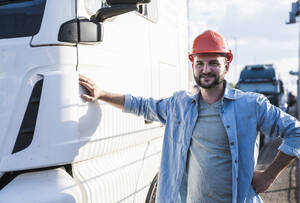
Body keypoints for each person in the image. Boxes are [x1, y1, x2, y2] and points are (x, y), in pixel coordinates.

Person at [79, 30, 300, 203]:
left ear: (227, 64)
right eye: (200, 63)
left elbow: (296, 132)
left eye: (213, 62)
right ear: (192, 64)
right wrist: (102, 94)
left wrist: (269, 175)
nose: (206, 69)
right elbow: (142, 105)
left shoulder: (251, 105)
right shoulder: (179, 106)